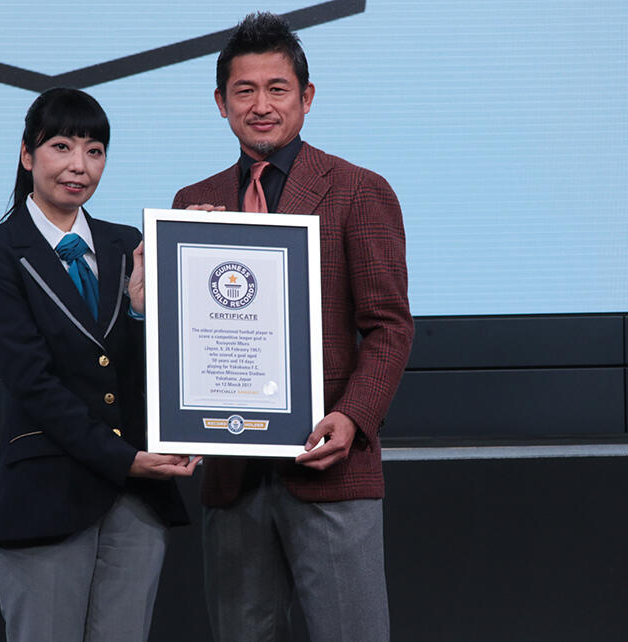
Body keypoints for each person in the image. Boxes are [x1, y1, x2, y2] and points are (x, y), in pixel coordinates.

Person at [172, 12, 414, 642]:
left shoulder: (359, 191)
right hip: (233, 478)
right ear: (221, 103)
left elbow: (389, 327)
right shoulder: (192, 205)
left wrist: (353, 416)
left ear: (306, 97)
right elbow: (184, 341)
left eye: (277, 89)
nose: (261, 105)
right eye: (244, 90)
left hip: (330, 467)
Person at [0, 87, 199, 642]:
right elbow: (33, 382)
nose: (79, 166)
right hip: (49, 493)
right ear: (27, 155)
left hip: (137, 501)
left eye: (95, 151)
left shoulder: (129, 244)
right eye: (62, 147)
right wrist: (124, 459)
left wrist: (141, 311)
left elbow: (154, 366)